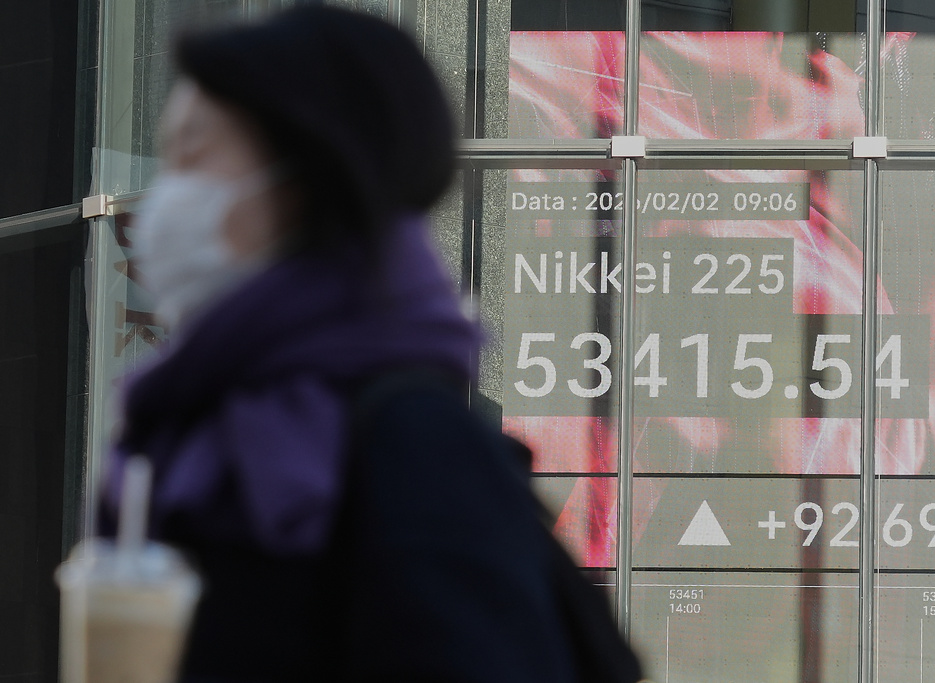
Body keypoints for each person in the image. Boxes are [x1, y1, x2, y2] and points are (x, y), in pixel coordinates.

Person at [100, 6, 634, 682]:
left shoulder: (417, 444)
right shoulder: (188, 430)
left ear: (304, 176)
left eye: (192, 155)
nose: (163, 198)